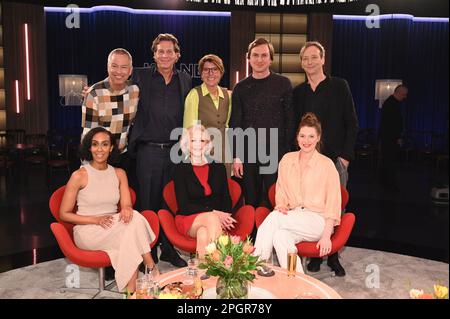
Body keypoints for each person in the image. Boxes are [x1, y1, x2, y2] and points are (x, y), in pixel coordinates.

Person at [59, 127, 157, 293]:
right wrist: (95, 220)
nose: (99, 149)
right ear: (89, 148)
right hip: (88, 231)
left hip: (113, 226)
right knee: (131, 228)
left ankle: (131, 293)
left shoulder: (119, 173)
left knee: (130, 231)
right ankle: (151, 266)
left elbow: (126, 205)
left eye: (104, 144)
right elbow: (64, 214)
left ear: (111, 148)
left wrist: (126, 208)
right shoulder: (79, 175)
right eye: (95, 145)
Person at [292, 41, 359, 276]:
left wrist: (345, 157)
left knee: (335, 208)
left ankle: (333, 256)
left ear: (323, 59)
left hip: (334, 161)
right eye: (305, 59)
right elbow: (294, 127)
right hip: (308, 163)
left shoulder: (340, 86)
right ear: (301, 63)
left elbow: (352, 122)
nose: (309, 62)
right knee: (311, 207)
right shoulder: (298, 92)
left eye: (313, 57)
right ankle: (316, 256)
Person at [128, 33, 191, 267]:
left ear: (177, 55)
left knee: (169, 202)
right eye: (160, 51)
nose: (165, 55)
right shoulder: (140, 76)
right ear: (154, 55)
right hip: (148, 151)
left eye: (169, 51)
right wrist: (92, 90)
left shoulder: (185, 79)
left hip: (176, 151)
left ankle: (168, 248)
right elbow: (116, 80)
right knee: (148, 203)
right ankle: (148, 250)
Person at [254, 113, 341, 274]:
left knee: (274, 218)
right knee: (280, 237)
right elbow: (280, 189)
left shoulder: (327, 165)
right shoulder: (287, 159)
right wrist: (280, 204)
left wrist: (326, 235)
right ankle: (296, 282)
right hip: (293, 217)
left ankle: (257, 268)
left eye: (311, 136)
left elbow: (333, 203)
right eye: (302, 135)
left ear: (318, 138)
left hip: (318, 221)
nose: (306, 140)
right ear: (297, 137)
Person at [229, 38, 295, 209]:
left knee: (275, 201)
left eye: (264, 55)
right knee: (251, 202)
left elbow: (290, 121)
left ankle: (272, 236)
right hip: (248, 153)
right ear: (248, 58)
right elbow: (235, 123)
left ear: (271, 59)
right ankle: (252, 236)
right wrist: (236, 156)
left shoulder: (283, 84)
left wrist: (287, 155)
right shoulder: (240, 88)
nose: (259, 59)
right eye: (255, 55)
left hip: (276, 153)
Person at [173, 124, 235, 259]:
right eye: (193, 140)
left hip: (214, 221)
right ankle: (222, 265)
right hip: (188, 218)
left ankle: (203, 275)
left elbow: (226, 198)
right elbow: (184, 206)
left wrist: (225, 215)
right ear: (187, 144)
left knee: (203, 234)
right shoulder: (180, 170)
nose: (197, 145)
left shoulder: (218, 167)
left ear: (207, 144)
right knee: (211, 219)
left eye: (202, 141)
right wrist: (214, 213)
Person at [81, 48, 139, 173]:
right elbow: (88, 133)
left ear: (130, 70)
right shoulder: (94, 93)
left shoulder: (135, 91)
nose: (118, 71)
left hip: (124, 157)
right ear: (108, 67)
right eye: (114, 66)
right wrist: (86, 167)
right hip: (99, 157)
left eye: (124, 67)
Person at [183, 54, 232, 178]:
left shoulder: (228, 95)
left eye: (214, 69)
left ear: (221, 72)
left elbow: (229, 127)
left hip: (224, 153)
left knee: (224, 191)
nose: (210, 73)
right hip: (202, 154)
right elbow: (189, 130)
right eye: (206, 69)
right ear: (201, 73)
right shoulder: (194, 94)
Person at [378, 84, 408, 191]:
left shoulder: (391, 103)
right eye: (404, 94)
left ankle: (387, 183)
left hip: (389, 138)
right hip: (390, 138)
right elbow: (391, 124)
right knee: (390, 161)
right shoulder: (391, 104)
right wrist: (397, 137)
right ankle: (389, 184)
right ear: (398, 92)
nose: (405, 97)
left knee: (389, 161)